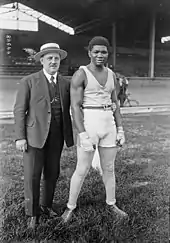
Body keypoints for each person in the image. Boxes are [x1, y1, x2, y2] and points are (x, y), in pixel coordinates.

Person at [61, 36, 128, 223]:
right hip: (89, 123)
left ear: (108, 54)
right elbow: (75, 107)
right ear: (89, 52)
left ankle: (111, 203)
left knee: (108, 168)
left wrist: (120, 129)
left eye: (104, 52)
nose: (100, 55)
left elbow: (115, 103)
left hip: (108, 124)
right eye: (96, 51)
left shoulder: (112, 75)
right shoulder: (81, 74)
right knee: (81, 169)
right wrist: (82, 134)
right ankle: (70, 207)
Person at [14, 43, 74, 229]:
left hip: (57, 134)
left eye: (56, 58)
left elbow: (79, 103)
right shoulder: (29, 81)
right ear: (42, 60)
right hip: (34, 135)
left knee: (52, 173)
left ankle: (46, 205)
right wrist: (20, 137)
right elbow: (19, 110)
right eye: (49, 58)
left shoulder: (66, 83)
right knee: (32, 174)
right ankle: (33, 213)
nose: (53, 61)